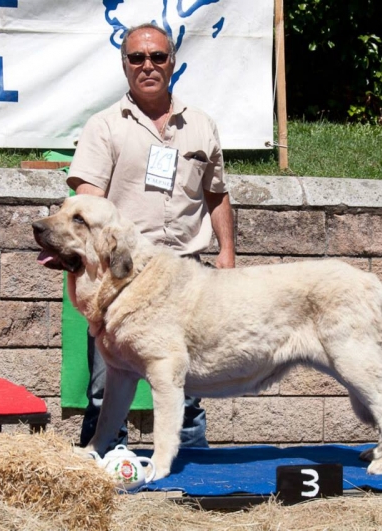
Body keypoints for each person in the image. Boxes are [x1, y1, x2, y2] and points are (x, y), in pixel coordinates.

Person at [66, 23, 235, 454]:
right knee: (107, 387)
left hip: (187, 276)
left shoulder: (200, 125)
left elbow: (216, 195)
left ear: (172, 62)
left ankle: (193, 478)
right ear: (124, 65)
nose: (148, 66)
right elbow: (85, 207)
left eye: (157, 57)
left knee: (188, 387)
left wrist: (228, 254)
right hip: (125, 278)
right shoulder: (104, 126)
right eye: (137, 58)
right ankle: (100, 470)